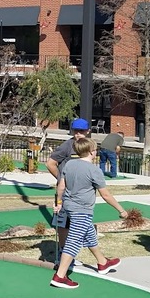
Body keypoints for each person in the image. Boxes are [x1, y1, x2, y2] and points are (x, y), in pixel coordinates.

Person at [50, 137, 128, 288]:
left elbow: (61, 186)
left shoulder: (70, 164)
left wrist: (59, 203)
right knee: (73, 242)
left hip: (68, 207)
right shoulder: (94, 170)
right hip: (82, 210)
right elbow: (105, 195)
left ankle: (103, 263)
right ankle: (60, 276)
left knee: (89, 234)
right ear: (92, 152)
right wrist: (121, 210)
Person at [46, 118, 91, 267]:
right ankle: (63, 254)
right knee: (64, 224)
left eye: (81, 131)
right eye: (75, 131)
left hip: (81, 193)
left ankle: (70, 255)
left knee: (78, 223)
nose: (78, 134)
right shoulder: (67, 146)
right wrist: (61, 180)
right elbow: (50, 163)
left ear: (87, 131)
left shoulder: (88, 146)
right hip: (65, 193)